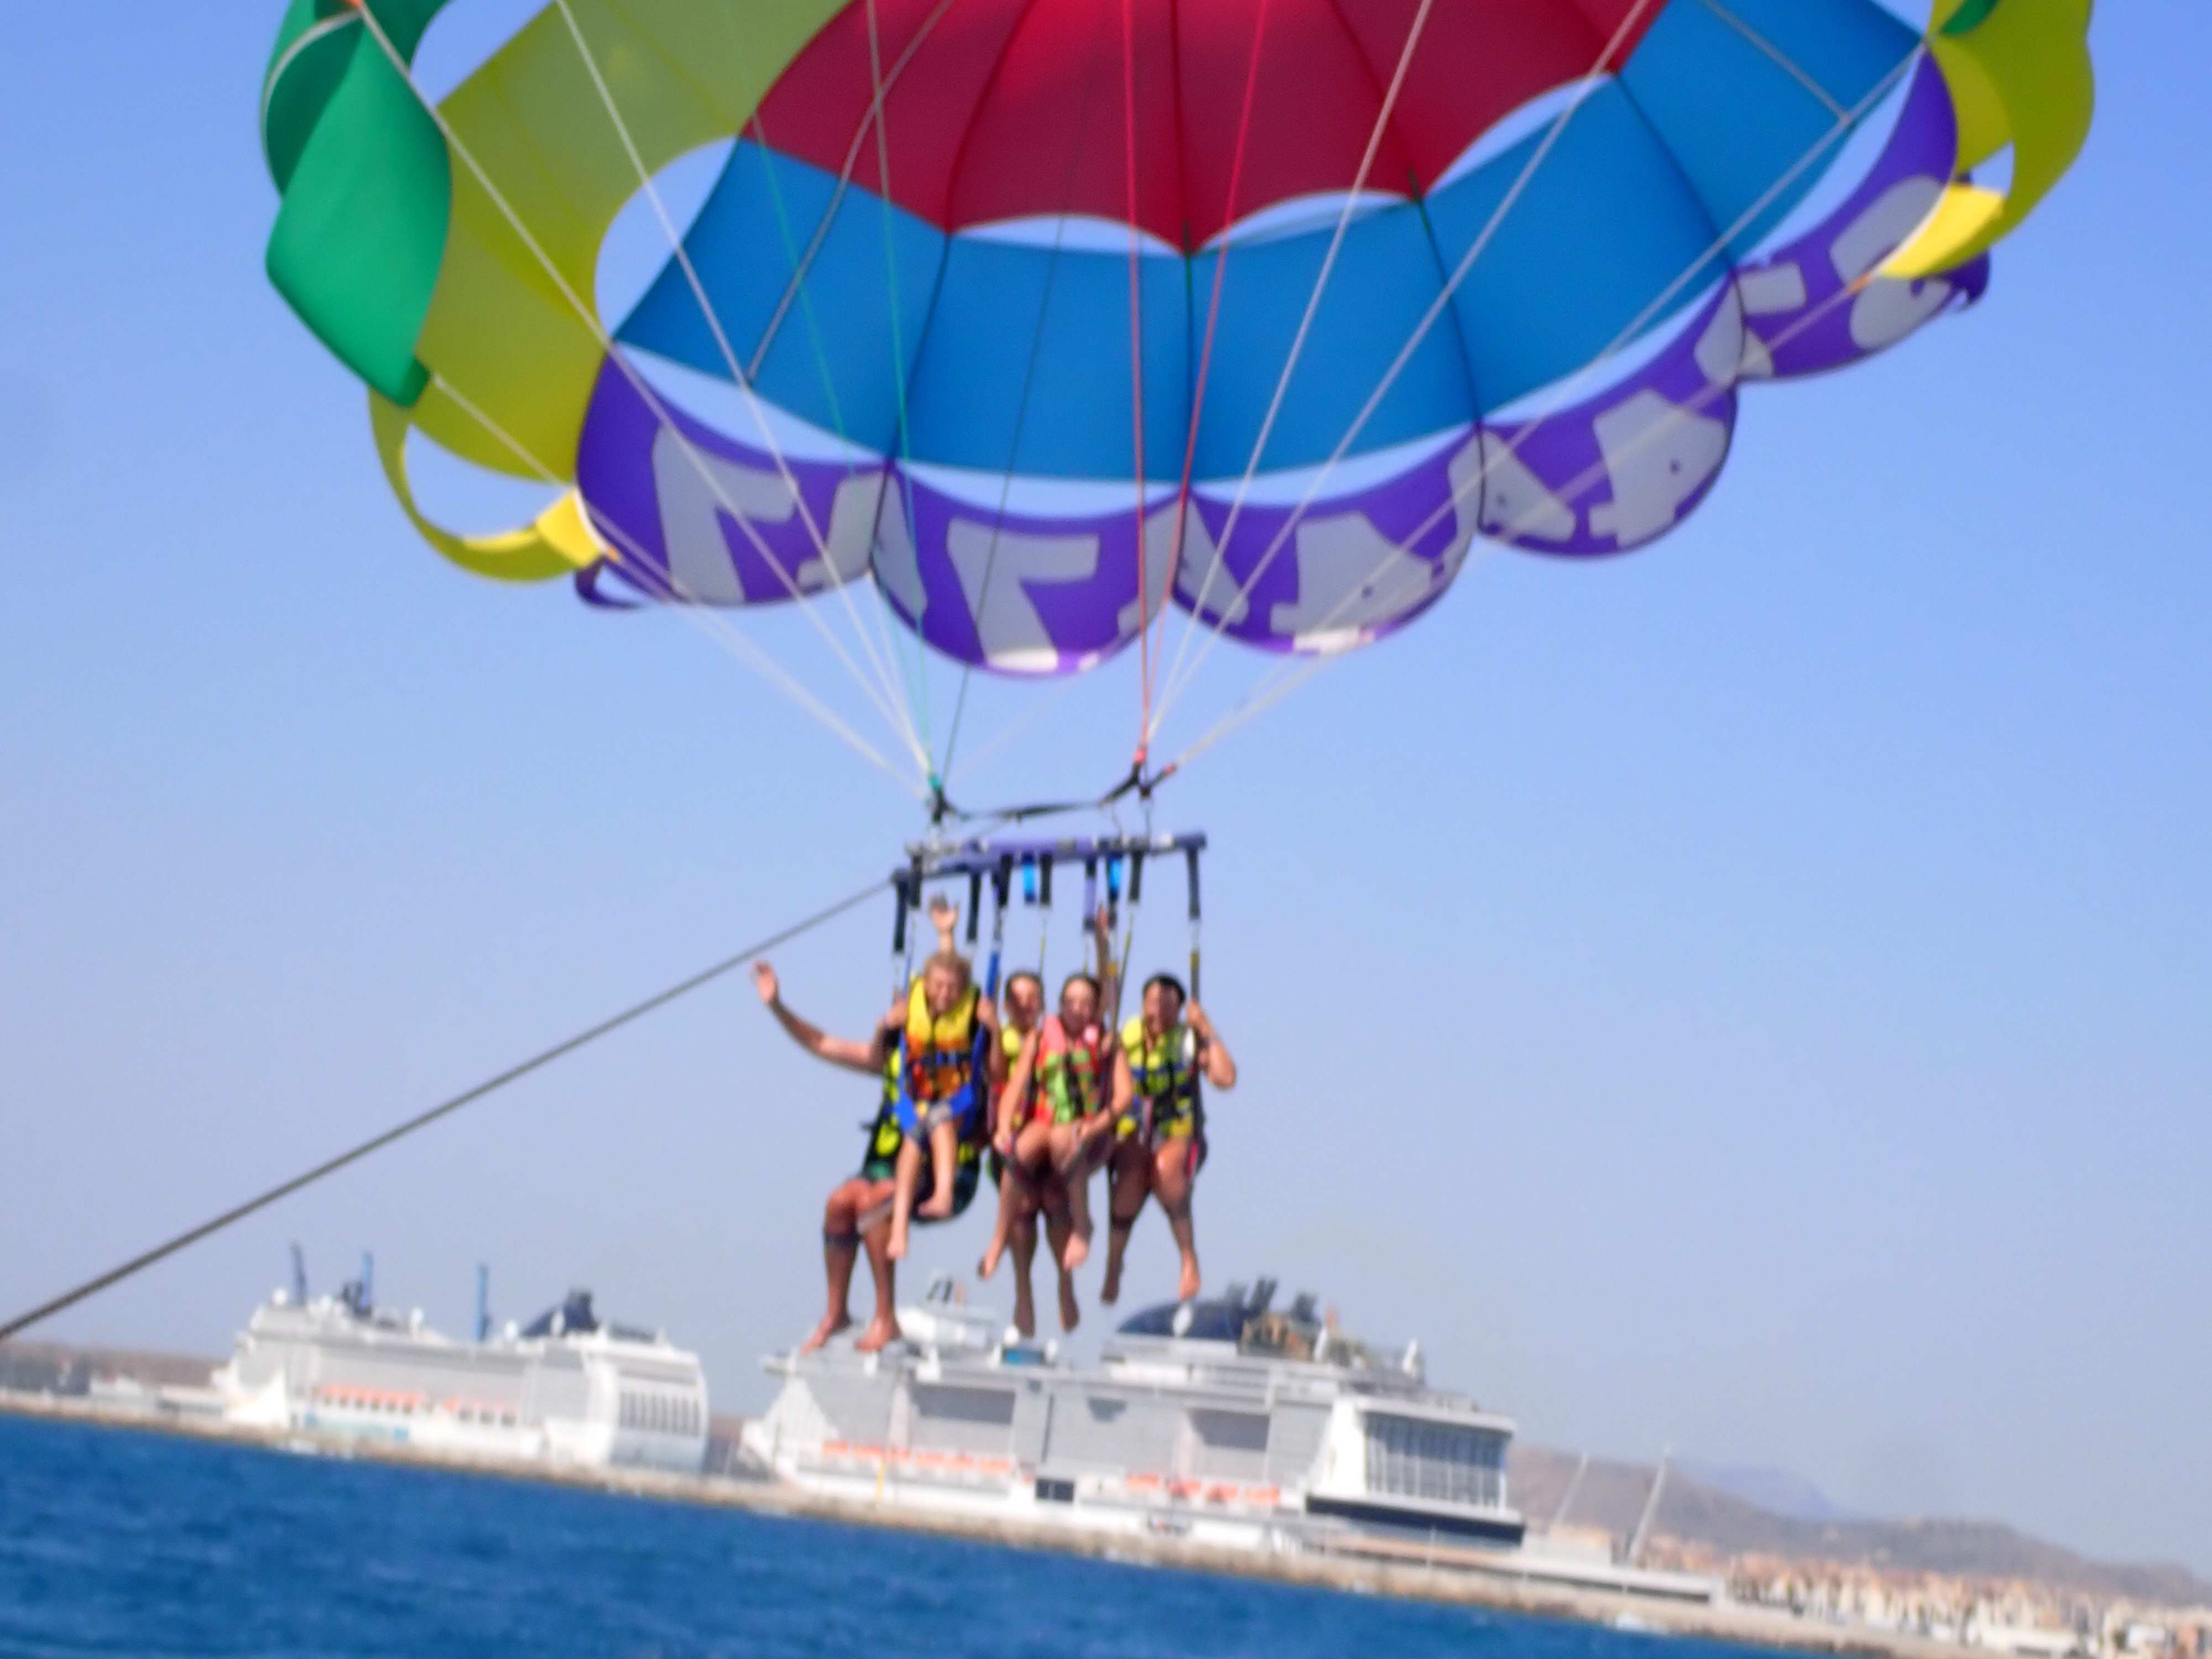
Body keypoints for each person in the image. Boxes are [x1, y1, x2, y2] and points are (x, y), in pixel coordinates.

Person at [755, 901, 975, 1354]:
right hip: (883, 1168)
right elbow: (820, 1043)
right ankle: (836, 1313)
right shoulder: (891, 1062)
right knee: (840, 1203)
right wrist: (777, 1006)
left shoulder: (966, 1052)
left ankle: (885, 1318)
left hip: (941, 1176)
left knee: (874, 1207)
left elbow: (952, 984)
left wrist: (947, 936)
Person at [1100, 974, 1237, 1306]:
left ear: (1178, 1010)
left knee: (1164, 1171)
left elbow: (1226, 1078)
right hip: (1134, 1131)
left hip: (1178, 1131)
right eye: (1152, 1002)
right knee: (1130, 1184)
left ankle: (1189, 1258)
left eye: (1166, 1005)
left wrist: (1206, 1028)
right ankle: (1114, 1264)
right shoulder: (1125, 1035)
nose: (1157, 1011)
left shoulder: (1187, 1040)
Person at [880, 940, 1000, 1262]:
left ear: (963, 989)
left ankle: (944, 1195)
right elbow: (879, 1046)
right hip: (918, 1097)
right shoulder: (911, 1003)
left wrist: (994, 1029)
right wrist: (887, 1023)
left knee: (940, 1122)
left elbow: (997, 1070)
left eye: (953, 988)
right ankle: (899, 1227)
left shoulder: (974, 1011)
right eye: (938, 986)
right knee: (913, 1141)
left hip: (959, 1098)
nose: (945, 994)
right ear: (927, 984)